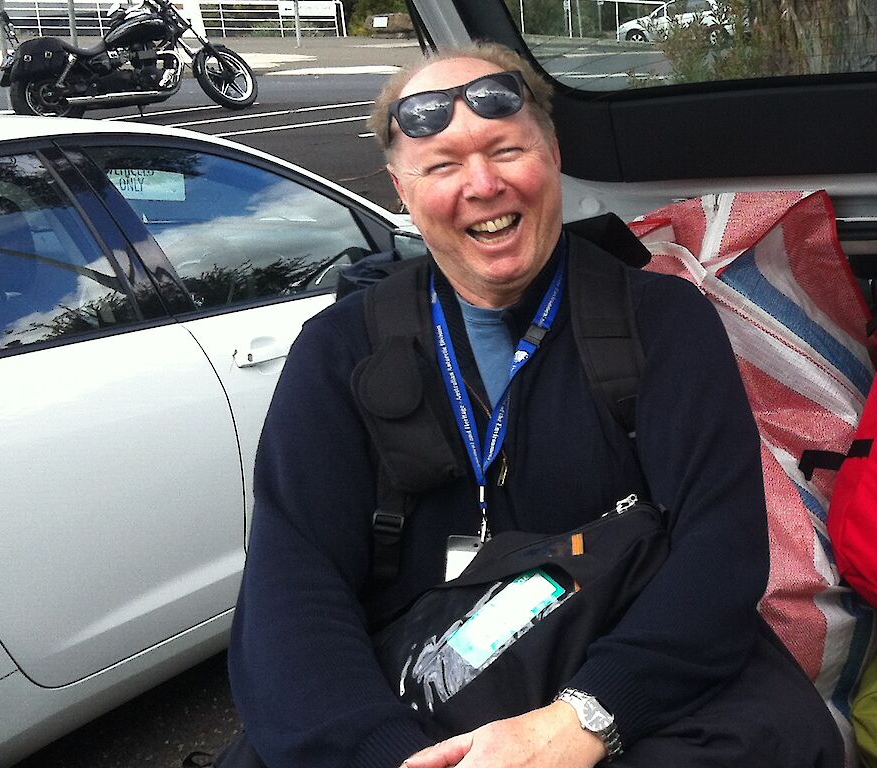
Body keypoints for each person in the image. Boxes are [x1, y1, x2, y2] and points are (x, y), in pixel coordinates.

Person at [228, 42, 841, 768]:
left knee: (780, 740)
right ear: (402, 188)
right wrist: (383, 753)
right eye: (445, 165)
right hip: (415, 691)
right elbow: (290, 593)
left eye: (504, 149)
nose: (482, 184)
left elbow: (723, 553)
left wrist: (584, 721)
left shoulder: (664, 322)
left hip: (626, 664)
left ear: (550, 155)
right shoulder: (336, 352)